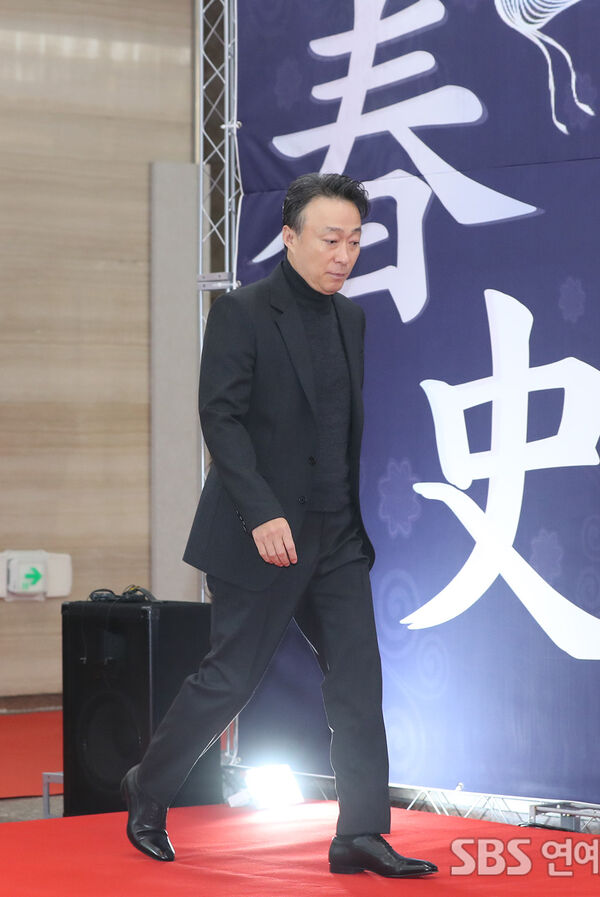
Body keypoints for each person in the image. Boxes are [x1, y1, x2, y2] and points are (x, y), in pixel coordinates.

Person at [121, 173, 437, 878]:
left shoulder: (351, 319)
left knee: (358, 682)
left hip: (336, 537)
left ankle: (360, 832)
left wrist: (341, 520)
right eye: (330, 239)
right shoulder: (243, 312)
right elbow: (221, 417)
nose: (343, 254)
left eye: (354, 241)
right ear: (290, 236)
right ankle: (148, 786)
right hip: (260, 533)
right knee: (229, 678)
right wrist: (261, 510)